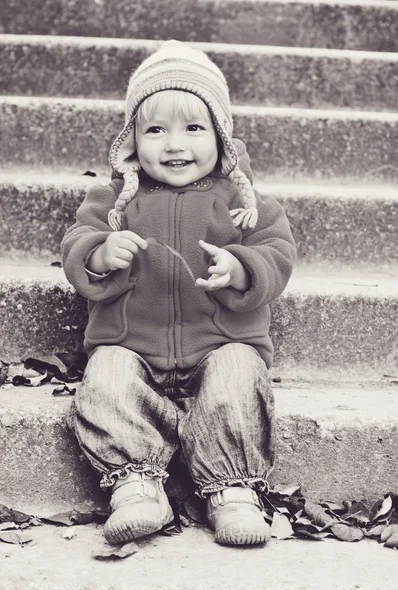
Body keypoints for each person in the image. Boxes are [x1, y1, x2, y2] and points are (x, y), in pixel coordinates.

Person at [61, 40, 296, 547]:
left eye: (193, 128)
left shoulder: (242, 201)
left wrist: (241, 267)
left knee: (239, 372)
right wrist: (100, 254)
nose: (174, 144)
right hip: (133, 347)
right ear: (131, 140)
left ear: (221, 137)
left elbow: (277, 251)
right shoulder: (112, 199)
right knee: (106, 375)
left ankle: (231, 488)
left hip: (219, 344)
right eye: (155, 129)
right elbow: (76, 244)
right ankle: (136, 482)